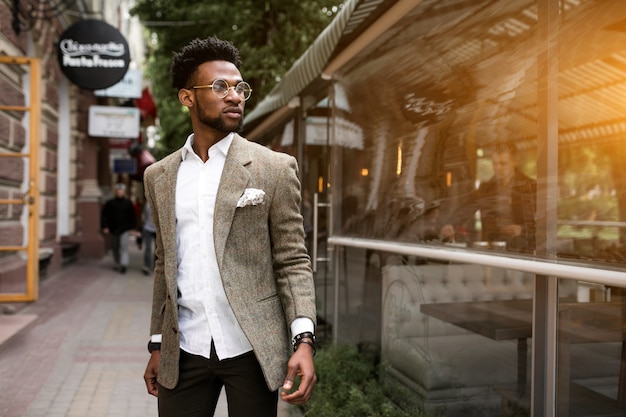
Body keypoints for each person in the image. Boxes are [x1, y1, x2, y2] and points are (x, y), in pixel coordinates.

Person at [142, 37, 317, 417]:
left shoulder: (273, 168)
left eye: (240, 87)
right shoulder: (159, 176)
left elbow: (292, 260)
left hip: (251, 347)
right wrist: (157, 344)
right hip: (183, 350)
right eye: (220, 86)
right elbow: (164, 265)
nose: (234, 96)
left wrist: (303, 339)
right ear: (187, 97)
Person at [441, 143, 536, 252]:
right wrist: (451, 224)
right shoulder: (486, 188)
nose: (498, 168)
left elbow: (545, 222)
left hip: (522, 250)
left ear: (514, 162)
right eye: (495, 163)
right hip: (492, 249)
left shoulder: (531, 187)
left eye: (503, 163)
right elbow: (467, 207)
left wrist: (522, 230)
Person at [101, 183, 137, 273]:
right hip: (113, 229)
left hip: (124, 229)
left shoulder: (128, 203)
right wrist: (105, 226)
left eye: (121, 191)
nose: (120, 192)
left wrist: (132, 228)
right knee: (115, 247)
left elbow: (132, 216)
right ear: (116, 192)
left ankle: (124, 264)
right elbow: (104, 215)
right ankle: (117, 263)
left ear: (124, 192)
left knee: (124, 247)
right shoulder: (110, 203)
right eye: (118, 191)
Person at [141, 202, 156, 275]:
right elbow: (143, 215)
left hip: (158, 230)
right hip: (147, 228)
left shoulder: (161, 201)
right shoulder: (147, 203)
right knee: (147, 248)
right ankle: (147, 266)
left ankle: (156, 267)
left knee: (158, 250)